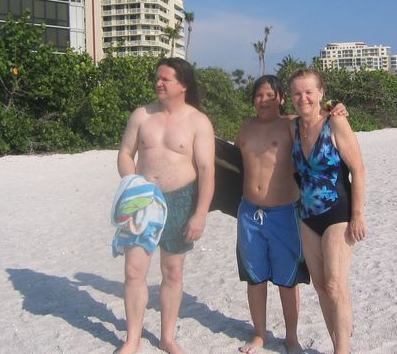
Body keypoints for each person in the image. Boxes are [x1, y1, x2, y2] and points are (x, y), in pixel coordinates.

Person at [234, 75, 346, 354]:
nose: (264, 100)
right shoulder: (245, 127)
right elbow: (233, 164)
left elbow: (316, 118)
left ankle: (291, 338)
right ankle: (259, 334)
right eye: (259, 95)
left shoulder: (291, 125)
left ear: (282, 99)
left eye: (271, 96)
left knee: (288, 279)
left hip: (284, 212)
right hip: (249, 213)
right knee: (254, 277)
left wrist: (335, 107)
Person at [116, 57, 215, 354]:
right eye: (157, 78)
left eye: (165, 79)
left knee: (172, 272)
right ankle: (132, 339)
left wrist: (200, 214)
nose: (158, 83)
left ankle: (167, 337)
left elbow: (207, 170)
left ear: (183, 85)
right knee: (134, 271)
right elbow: (125, 153)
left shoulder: (198, 121)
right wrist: (132, 185)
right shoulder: (141, 115)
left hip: (180, 200)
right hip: (142, 199)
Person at [288, 68, 366, 354]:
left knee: (335, 285)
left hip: (338, 213)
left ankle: (342, 350)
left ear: (321, 93)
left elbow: (358, 170)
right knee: (321, 287)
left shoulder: (335, 123)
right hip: (307, 216)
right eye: (297, 93)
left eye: (309, 92)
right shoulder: (292, 126)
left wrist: (358, 215)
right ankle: (337, 344)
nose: (303, 98)